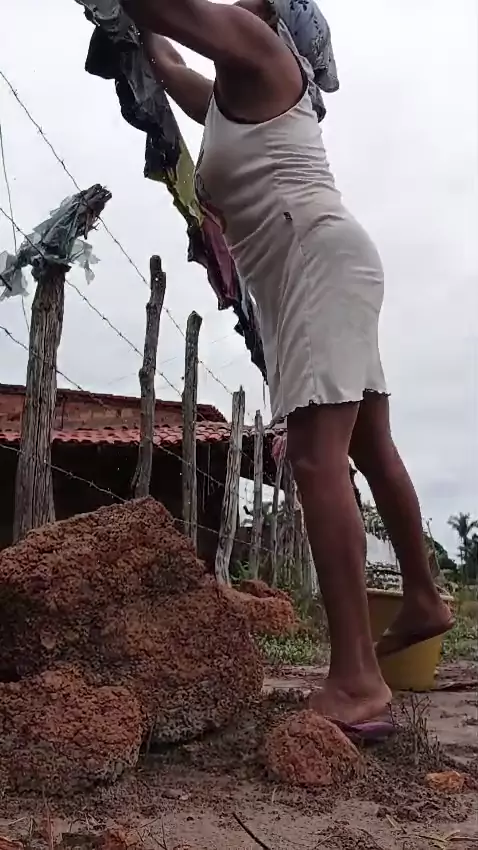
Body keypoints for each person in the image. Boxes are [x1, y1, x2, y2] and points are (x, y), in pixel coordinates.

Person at [121, 0, 453, 727]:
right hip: (329, 261)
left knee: (313, 456)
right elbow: (166, 55)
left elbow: (171, 11)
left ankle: (358, 681)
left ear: (276, 18)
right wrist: (130, 29)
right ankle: (423, 598)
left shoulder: (258, 46)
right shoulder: (229, 97)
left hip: (315, 263)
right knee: (369, 446)